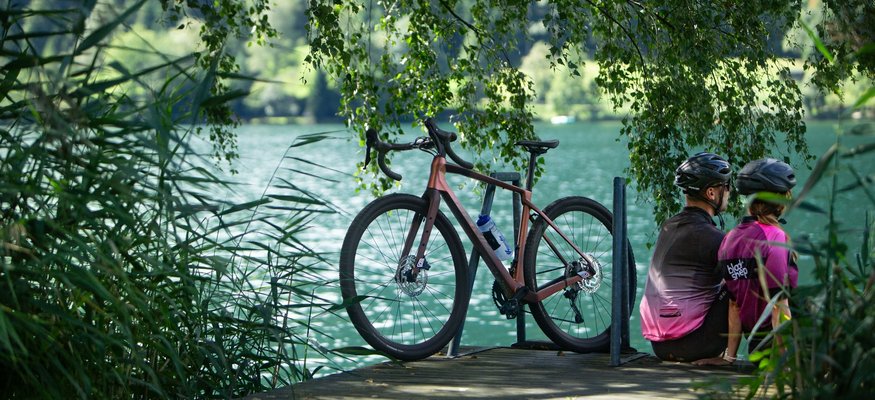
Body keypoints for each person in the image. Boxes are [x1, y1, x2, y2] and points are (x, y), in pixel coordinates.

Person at [639, 152, 734, 362]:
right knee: (744, 279)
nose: (729, 191)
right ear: (711, 193)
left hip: (659, 346)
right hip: (693, 345)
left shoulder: (669, 226)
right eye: (726, 186)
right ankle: (738, 358)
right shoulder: (713, 237)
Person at [717, 158, 798, 361]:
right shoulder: (775, 238)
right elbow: (779, 306)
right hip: (782, 349)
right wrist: (785, 365)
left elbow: (734, 305)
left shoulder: (729, 239)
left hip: (757, 349)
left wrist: (729, 358)